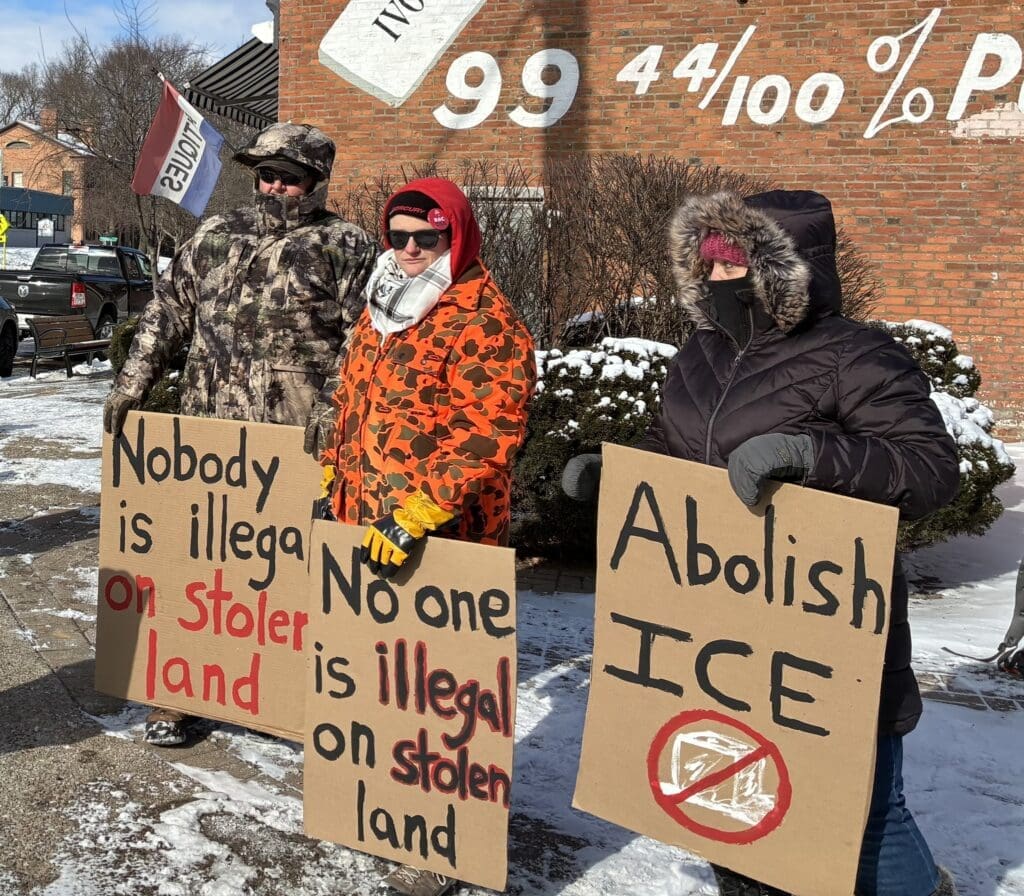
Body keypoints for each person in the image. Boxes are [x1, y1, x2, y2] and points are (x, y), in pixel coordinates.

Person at [564, 190, 960, 896]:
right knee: (730, 808)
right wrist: (616, 474)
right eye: (705, 258)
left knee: (868, 818)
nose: (714, 273)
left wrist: (811, 457)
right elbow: (672, 448)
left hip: (827, 643)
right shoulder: (701, 354)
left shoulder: (855, 354)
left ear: (783, 267)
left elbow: (930, 469)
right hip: (720, 634)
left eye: (730, 257)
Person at [103, 122, 376, 746]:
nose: (275, 185)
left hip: (294, 443)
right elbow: (167, 310)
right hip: (209, 442)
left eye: (289, 175)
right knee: (194, 567)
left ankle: (283, 695)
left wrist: (335, 407)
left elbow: (366, 341)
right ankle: (176, 693)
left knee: (290, 575)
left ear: (314, 182)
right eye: (267, 173)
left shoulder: (346, 245)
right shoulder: (216, 236)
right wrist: (133, 381)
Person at [311, 177, 536, 896]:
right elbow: (348, 399)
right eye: (399, 235)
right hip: (364, 525)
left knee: (443, 694)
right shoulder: (382, 304)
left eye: (426, 238)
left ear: (456, 239)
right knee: (382, 682)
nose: (409, 249)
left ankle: (443, 836)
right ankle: (386, 807)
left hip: (441, 539)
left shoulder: (485, 319)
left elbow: (489, 429)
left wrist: (419, 513)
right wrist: (330, 481)